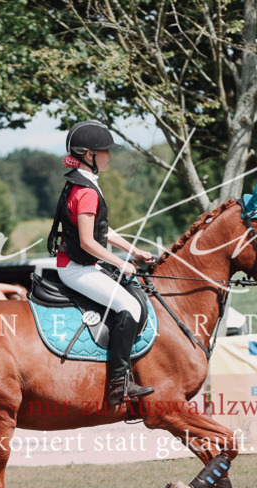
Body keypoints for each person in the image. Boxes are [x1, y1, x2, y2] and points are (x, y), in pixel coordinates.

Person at [47, 120, 157, 407]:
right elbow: (88, 242)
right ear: (88, 155)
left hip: (84, 264)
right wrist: (121, 263)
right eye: (105, 151)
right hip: (76, 268)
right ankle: (118, 385)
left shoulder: (85, 184)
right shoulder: (85, 191)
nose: (110, 156)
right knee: (130, 307)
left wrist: (133, 251)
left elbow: (102, 231)